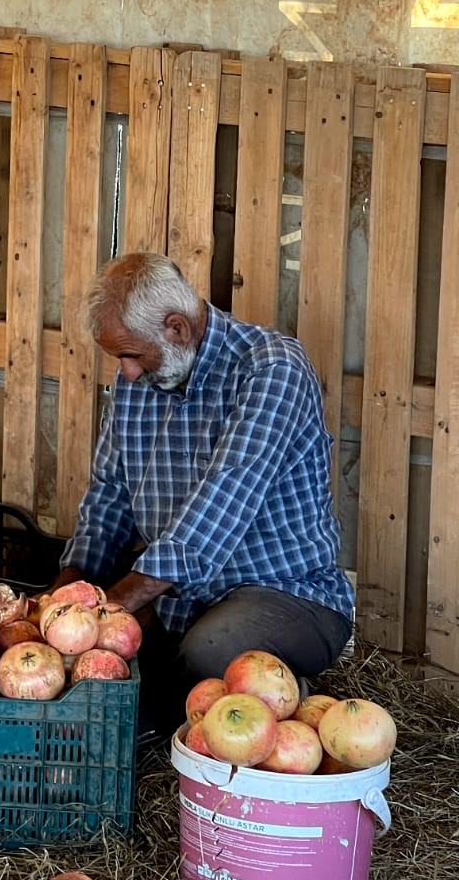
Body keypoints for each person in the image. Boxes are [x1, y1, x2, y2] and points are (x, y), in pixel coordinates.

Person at [52, 252, 355, 738]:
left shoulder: (272, 368)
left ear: (176, 328)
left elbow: (224, 500)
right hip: (178, 598)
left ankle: (276, 694)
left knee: (211, 648)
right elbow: (109, 493)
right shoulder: (142, 379)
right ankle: (185, 701)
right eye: (119, 359)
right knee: (120, 684)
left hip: (286, 593)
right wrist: (69, 590)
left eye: (131, 354)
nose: (127, 372)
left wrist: (114, 604)